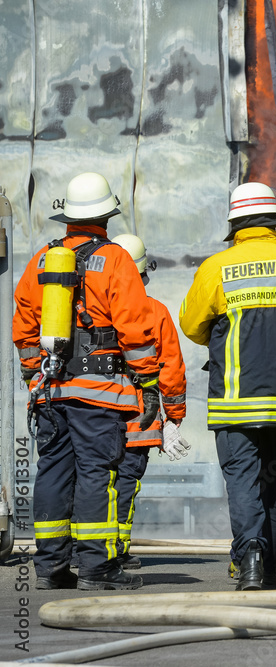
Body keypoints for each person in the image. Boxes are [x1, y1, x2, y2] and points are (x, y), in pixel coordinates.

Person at [179, 182, 276, 591]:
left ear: (233, 224)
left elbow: (192, 326)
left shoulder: (216, 269)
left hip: (234, 403)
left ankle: (249, 558)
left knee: (244, 482)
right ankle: (273, 565)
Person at [14, 172, 160, 590]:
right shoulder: (114, 259)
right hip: (99, 392)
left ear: (68, 220)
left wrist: (32, 372)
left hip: (51, 389)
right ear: (106, 216)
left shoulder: (42, 258)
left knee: (53, 472)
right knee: (97, 473)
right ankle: (97, 568)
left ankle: (50, 568)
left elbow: (24, 322)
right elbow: (134, 324)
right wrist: (147, 382)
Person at [110, 233, 190, 569]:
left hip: (90, 415)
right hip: (140, 418)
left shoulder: (87, 309)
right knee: (125, 482)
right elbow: (170, 366)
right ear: (143, 273)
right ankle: (115, 550)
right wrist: (173, 417)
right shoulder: (154, 311)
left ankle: (80, 548)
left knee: (89, 479)